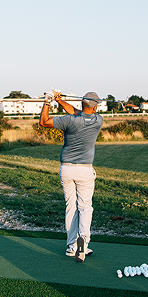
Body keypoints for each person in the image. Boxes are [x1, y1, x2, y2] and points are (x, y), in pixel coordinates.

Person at [40, 91, 103, 262]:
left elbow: (44, 122)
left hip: (66, 169)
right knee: (85, 207)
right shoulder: (98, 120)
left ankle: (71, 246)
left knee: (71, 207)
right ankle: (83, 242)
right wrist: (61, 100)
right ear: (95, 107)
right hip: (85, 170)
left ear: (82, 104)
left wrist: (48, 102)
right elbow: (78, 112)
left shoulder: (69, 120)